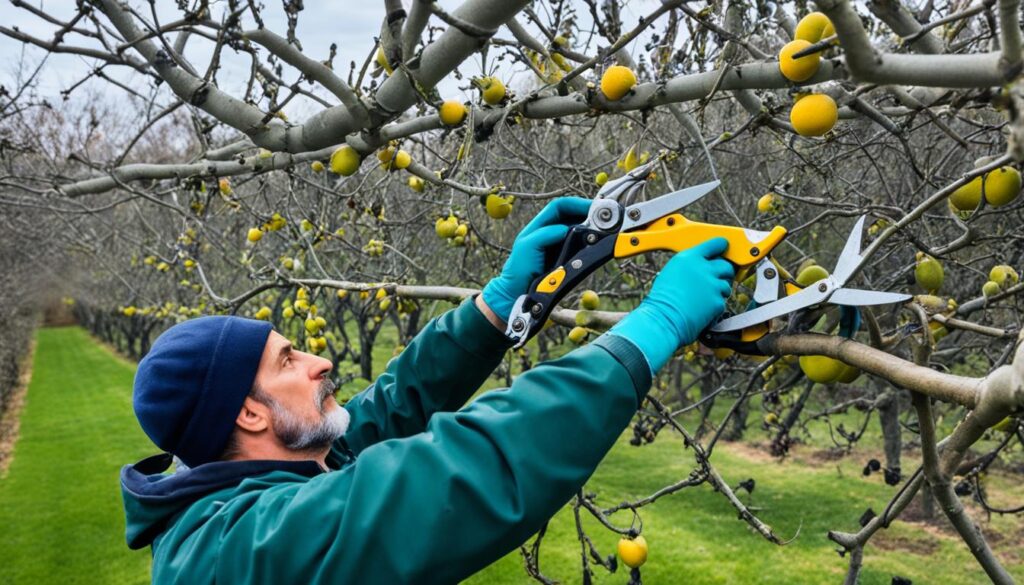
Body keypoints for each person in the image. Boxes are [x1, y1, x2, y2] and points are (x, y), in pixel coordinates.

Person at [120, 198, 735, 584]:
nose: (322, 359)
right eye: (288, 360)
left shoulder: (269, 473)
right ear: (251, 413)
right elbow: (461, 474)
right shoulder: (242, 554)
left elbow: (385, 412)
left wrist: (491, 311)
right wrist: (646, 333)